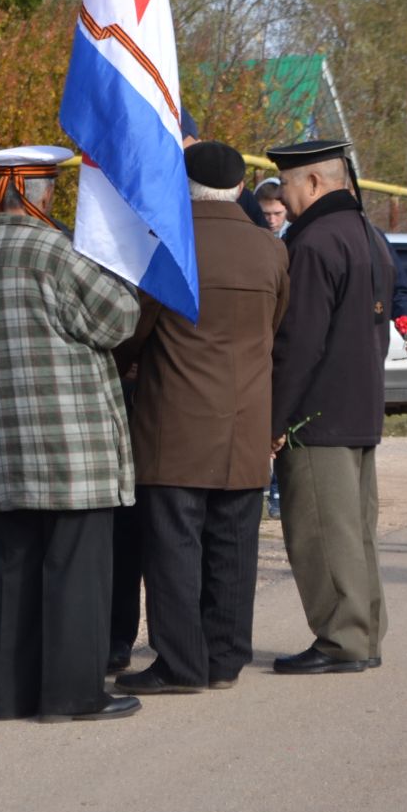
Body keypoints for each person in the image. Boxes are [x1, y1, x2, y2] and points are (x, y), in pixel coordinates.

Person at [0, 145, 143, 722]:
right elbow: (119, 318)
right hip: (70, 443)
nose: (56, 199)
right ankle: (72, 696)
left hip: (2, 443)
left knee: (14, 572)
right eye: (52, 190)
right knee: (76, 573)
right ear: (35, 194)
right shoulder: (53, 249)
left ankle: (13, 696)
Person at [114, 142, 289, 694]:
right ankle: (225, 658)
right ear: (240, 188)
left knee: (174, 548)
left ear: (182, 187)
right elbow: (275, 325)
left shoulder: (169, 249)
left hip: (178, 424)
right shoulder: (271, 251)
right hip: (246, 422)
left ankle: (179, 663)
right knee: (235, 545)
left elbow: (133, 331)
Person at [267, 138, 395, 673]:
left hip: (318, 414)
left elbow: (299, 343)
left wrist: (274, 420)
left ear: (314, 183)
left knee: (322, 531)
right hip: (360, 405)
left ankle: (342, 639)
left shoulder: (315, 242)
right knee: (355, 532)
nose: (285, 196)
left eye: (290, 184)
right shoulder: (368, 234)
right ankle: (364, 635)